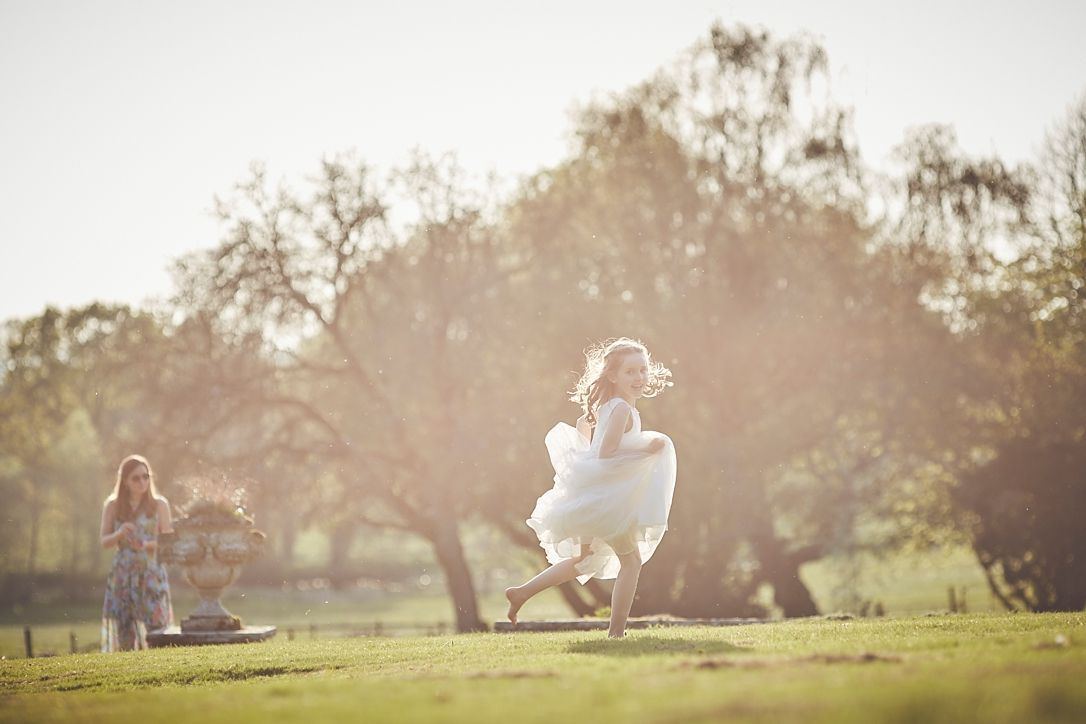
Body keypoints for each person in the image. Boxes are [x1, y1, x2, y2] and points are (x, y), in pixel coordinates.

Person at [507, 338, 676, 638]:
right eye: (630, 372)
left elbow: (584, 429)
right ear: (613, 376)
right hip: (606, 502)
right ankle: (616, 633)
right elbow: (606, 453)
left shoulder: (606, 406)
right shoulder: (621, 409)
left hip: (593, 496)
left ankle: (521, 593)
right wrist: (648, 451)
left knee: (582, 561)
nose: (638, 378)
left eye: (642, 370)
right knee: (632, 562)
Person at [100, 454, 174, 651]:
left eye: (145, 476)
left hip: (151, 572)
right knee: (125, 626)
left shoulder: (159, 505)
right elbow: (104, 541)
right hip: (123, 573)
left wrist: (146, 544)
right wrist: (119, 533)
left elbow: (168, 542)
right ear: (125, 481)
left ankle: (160, 667)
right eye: (136, 478)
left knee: (155, 624)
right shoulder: (113, 506)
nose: (142, 482)